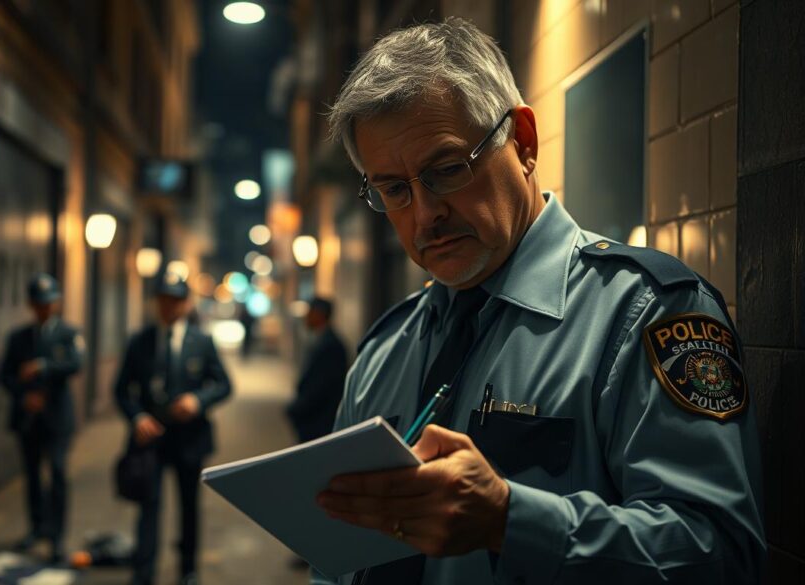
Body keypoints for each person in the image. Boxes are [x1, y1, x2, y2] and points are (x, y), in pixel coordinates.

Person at [311, 17, 765, 585]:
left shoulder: (648, 314)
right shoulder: (385, 350)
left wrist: (509, 519)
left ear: (523, 142)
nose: (425, 215)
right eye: (394, 190)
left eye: (447, 170)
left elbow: (721, 554)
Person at [114, 272, 232, 585]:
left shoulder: (201, 341)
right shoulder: (140, 342)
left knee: (189, 506)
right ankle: (144, 571)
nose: (169, 306)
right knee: (148, 505)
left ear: (185, 303)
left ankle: (188, 569)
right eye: (163, 299)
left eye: (175, 300)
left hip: (190, 437)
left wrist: (198, 400)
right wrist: (137, 416)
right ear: (156, 303)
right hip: (150, 439)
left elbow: (224, 384)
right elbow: (121, 389)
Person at [0, 273, 84, 563]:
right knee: (32, 474)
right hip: (28, 416)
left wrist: (43, 367)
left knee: (58, 472)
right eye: (39, 303)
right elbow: (5, 375)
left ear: (56, 303)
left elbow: (76, 363)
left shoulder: (69, 333)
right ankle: (36, 527)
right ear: (31, 304)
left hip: (58, 417)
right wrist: (23, 395)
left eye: (48, 303)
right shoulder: (19, 337)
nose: (44, 308)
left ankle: (57, 535)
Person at [286, 297, 348, 444]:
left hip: (319, 422)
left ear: (319, 314)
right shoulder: (322, 340)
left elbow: (322, 386)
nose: (306, 317)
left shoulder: (331, 346)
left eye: (310, 312)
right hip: (314, 419)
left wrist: (297, 410)